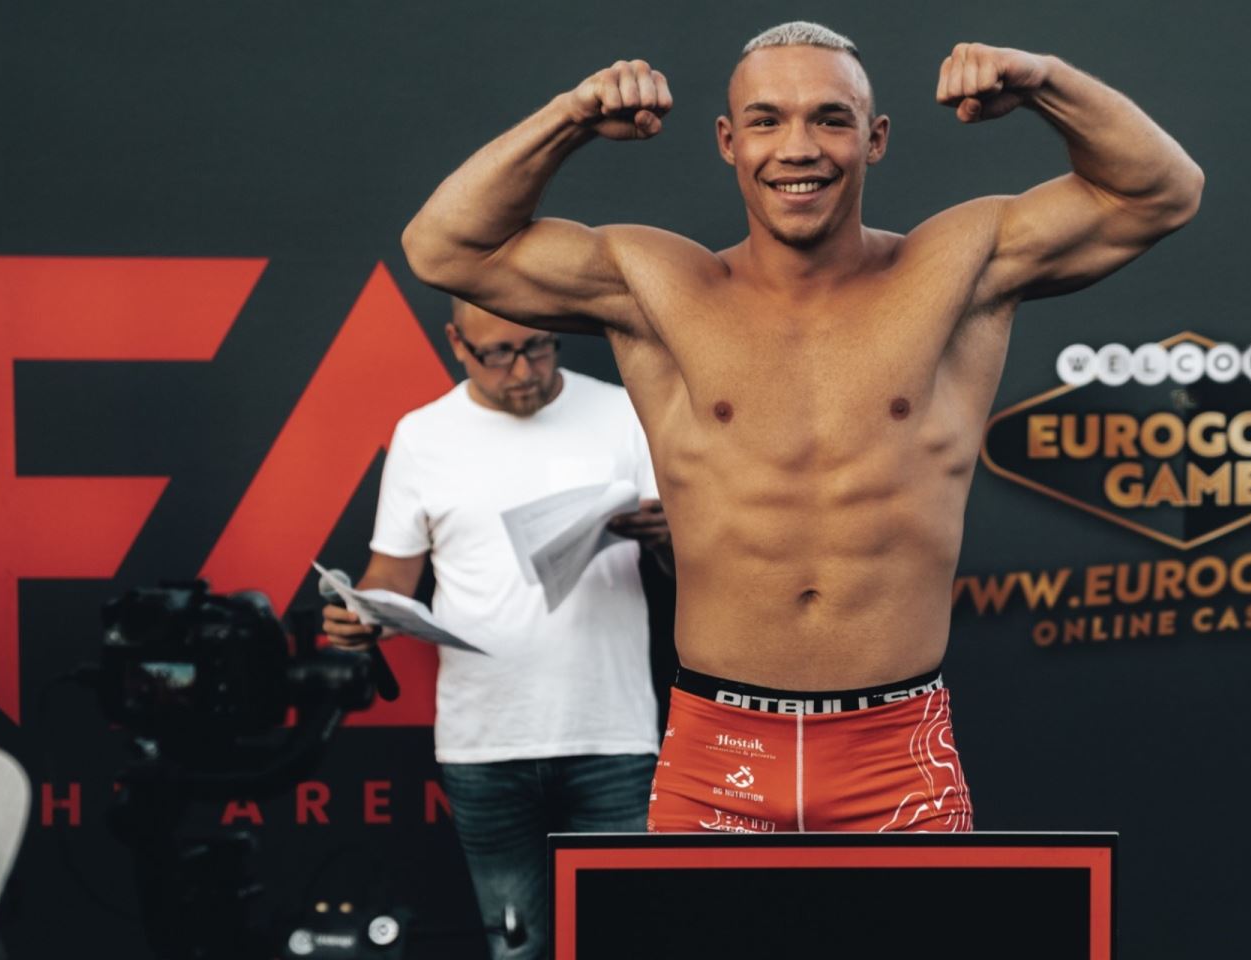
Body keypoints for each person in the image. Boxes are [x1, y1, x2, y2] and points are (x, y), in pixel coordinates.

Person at [399, 22, 1203, 833]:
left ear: (874, 138)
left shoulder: (956, 268)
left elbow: (1161, 192)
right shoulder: (656, 286)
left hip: (896, 751)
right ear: (728, 141)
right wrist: (570, 117)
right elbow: (443, 249)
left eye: (830, 118)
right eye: (767, 120)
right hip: (718, 752)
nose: (798, 147)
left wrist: (1043, 82)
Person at [322, 299, 669, 959]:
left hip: (611, 736)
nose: (523, 370)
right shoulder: (423, 435)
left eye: (537, 346)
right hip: (484, 743)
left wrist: (665, 537)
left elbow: (689, 568)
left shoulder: (623, 413)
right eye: (498, 354)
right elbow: (391, 575)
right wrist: (362, 614)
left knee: (624, 940)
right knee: (517, 948)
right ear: (457, 343)